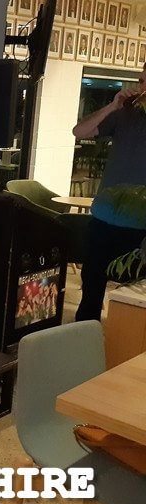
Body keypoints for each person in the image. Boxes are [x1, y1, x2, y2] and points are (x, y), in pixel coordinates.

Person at [72, 62, 146, 321]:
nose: (140, 86)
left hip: (141, 223)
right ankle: (84, 334)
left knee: (136, 297)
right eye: (141, 80)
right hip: (105, 218)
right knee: (92, 285)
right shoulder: (125, 112)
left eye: (144, 81)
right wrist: (112, 106)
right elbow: (79, 131)